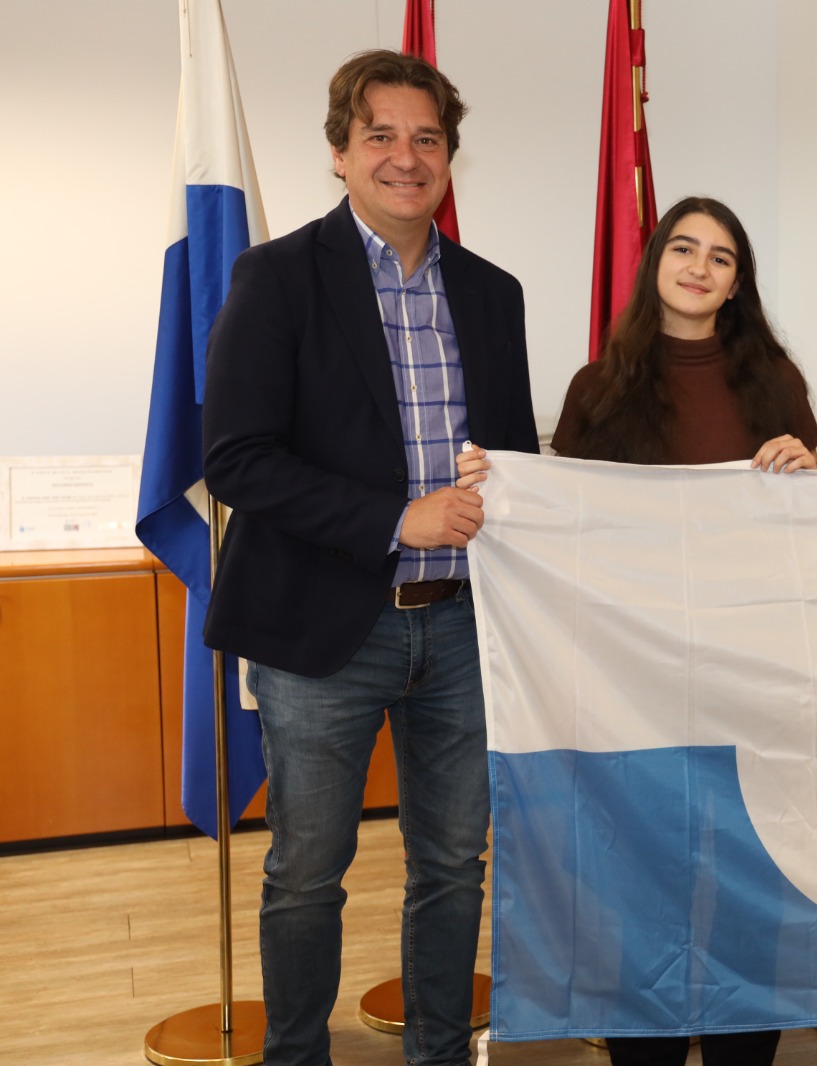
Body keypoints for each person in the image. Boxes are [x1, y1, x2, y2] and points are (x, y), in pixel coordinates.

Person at [202, 50, 539, 1066]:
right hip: (321, 630)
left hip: (465, 624)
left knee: (452, 865)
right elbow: (235, 461)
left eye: (427, 138)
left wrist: (517, 481)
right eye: (381, 135)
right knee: (307, 870)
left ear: (450, 157)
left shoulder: (492, 292)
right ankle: (296, 1055)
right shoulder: (276, 276)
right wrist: (401, 517)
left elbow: (512, 451)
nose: (406, 156)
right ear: (340, 152)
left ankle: (439, 1052)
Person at [457, 195, 817, 1066]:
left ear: (738, 284)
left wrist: (810, 471)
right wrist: (500, 485)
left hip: (747, 671)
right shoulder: (600, 386)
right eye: (684, 248)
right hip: (630, 677)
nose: (699, 267)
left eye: (721, 257)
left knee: (746, 881)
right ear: (655, 262)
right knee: (636, 882)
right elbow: (565, 522)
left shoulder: (777, 384)